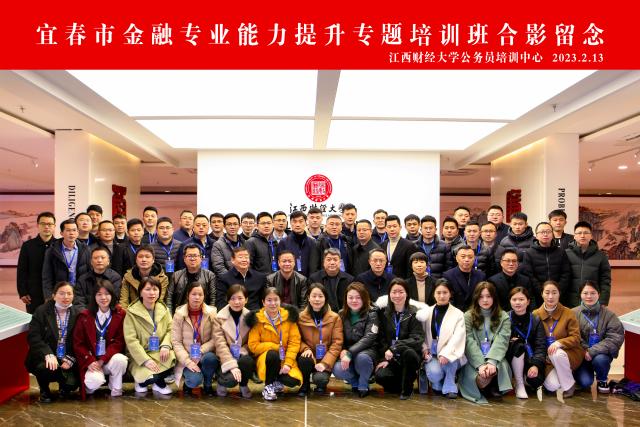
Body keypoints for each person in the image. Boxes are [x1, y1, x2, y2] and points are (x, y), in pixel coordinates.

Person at [26, 281, 81, 403]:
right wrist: (47, 353)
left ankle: (64, 387)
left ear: (73, 296)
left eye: (69, 293)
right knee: (45, 368)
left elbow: (81, 340)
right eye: (61, 293)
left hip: (66, 356)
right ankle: (44, 389)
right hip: (47, 356)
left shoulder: (78, 313)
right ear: (54, 296)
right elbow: (33, 337)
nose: (66, 297)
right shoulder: (42, 311)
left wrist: (71, 358)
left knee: (72, 384)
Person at [72, 280, 127, 398]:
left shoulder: (120, 314)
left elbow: (119, 342)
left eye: (107, 294)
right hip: (92, 361)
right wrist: (90, 360)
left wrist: (103, 359)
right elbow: (78, 343)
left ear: (112, 295)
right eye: (99, 294)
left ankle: (116, 388)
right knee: (94, 382)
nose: (103, 297)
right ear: (94, 296)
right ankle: (90, 388)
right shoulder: (85, 316)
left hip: (108, 360)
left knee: (121, 360)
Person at [459, 282, 512, 404]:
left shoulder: (503, 316)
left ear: (494, 297)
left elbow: (502, 341)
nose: (485, 300)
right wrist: (481, 365)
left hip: (496, 358)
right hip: (474, 359)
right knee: (479, 378)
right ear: (476, 298)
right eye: (481, 296)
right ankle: (485, 386)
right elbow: (469, 342)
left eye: (488, 296)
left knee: (497, 368)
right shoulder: (467, 316)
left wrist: (491, 362)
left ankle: (492, 385)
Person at [246, 287, 303, 401]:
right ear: (263, 302)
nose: (273, 303)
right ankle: (268, 386)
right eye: (269, 300)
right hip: (266, 359)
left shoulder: (289, 318)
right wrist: (274, 347)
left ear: (280, 301)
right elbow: (253, 346)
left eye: (276, 300)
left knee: (293, 381)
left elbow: (294, 343)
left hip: (284, 358)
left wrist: (288, 364)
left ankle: (276, 381)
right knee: (272, 354)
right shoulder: (257, 320)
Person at [123, 276, 176, 394]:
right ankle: (146, 381)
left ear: (159, 292)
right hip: (140, 356)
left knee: (176, 358)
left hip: (159, 352)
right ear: (140, 292)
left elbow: (171, 330)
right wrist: (145, 360)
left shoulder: (164, 309)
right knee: (149, 379)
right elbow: (131, 340)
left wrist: (166, 345)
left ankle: (158, 382)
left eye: (155, 289)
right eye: (147, 289)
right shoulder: (131, 312)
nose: (152, 293)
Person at [533, 281, 583, 400]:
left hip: (568, 354)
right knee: (552, 386)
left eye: (554, 293)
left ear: (559, 294)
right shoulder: (535, 314)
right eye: (547, 293)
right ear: (542, 294)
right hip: (547, 360)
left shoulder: (568, 313)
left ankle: (569, 386)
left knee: (556, 353)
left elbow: (576, 337)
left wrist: (559, 343)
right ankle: (565, 374)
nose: (550, 296)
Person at [374, 278, 424, 400]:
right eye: (394, 292)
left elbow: (417, 338)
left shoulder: (414, 313)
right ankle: (401, 384)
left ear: (407, 294)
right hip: (391, 358)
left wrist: (395, 347)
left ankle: (407, 389)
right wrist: (384, 359)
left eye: (401, 292)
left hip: (409, 357)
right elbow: (381, 339)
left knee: (408, 353)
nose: (397, 295)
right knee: (380, 376)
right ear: (389, 294)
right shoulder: (383, 313)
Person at [416, 279, 465, 399]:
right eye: (438, 293)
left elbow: (458, 337)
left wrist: (446, 354)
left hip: (450, 353)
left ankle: (450, 384)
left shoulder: (458, 314)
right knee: (435, 375)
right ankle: (438, 382)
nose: (442, 296)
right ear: (434, 294)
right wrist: (424, 349)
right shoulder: (427, 312)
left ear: (450, 294)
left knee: (451, 360)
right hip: (432, 354)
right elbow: (420, 334)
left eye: (445, 292)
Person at [572, 281, 624, 393]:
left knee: (600, 360)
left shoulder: (609, 315)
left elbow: (615, 338)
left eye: (593, 293)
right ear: (580, 295)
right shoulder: (573, 313)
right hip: (581, 355)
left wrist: (592, 351)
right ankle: (579, 374)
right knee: (585, 382)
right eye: (585, 293)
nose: (589, 296)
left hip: (600, 354)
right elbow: (571, 336)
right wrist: (584, 351)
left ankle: (602, 379)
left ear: (598, 294)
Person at [171, 281, 218, 396]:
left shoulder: (212, 313)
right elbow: (176, 342)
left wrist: (200, 351)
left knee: (211, 358)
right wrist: (188, 361)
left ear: (204, 296)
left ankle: (208, 384)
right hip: (187, 357)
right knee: (194, 380)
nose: (197, 297)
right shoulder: (179, 314)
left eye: (200, 294)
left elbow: (215, 338)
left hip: (205, 354)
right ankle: (188, 383)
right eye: (194, 294)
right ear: (188, 295)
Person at [296, 283, 344, 395]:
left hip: (325, 357)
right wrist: (305, 349)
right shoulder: (300, 317)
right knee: (304, 359)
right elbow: (296, 339)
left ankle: (320, 383)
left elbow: (337, 343)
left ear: (325, 298)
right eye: (314, 296)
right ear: (308, 298)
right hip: (309, 357)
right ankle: (305, 383)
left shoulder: (335, 317)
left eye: (320, 296)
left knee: (320, 380)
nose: (317, 299)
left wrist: (325, 363)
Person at [333, 282, 379, 398]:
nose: (354, 300)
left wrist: (350, 352)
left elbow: (369, 338)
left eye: (358, 297)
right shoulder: (341, 314)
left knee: (362, 358)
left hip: (367, 352)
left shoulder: (372, 313)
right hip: (349, 353)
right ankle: (355, 383)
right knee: (337, 368)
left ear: (364, 298)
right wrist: (343, 350)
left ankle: (363, 384)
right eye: (351, 297)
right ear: (346, 299)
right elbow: (338, 336)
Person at [212, 285, 255, 399]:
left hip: (241, 355)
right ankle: (222, 382)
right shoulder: (219, 318)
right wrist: (232, 365)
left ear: (246, 300)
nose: (236, 302)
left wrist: (242, 351)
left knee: (247, 361)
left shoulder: (251, 317)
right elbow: (220, 344)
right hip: (225, 357)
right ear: (228, 300)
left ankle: (243, 385)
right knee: (230, 380)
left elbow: (252, 342)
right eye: (233, 298)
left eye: (240, 298)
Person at [507, 287, 546, 399]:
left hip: (530, 358)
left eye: (521, 299)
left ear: (528, 301)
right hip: (510, 357)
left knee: (536, 381)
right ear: (510, 301)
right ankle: (519, 384)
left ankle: (524, 378)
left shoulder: (535, 320)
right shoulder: (505, 318)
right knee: (518, 346)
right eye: (514, 299)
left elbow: (541, 345)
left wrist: (535, 365)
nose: (517, 302)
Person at [565, 221, 612, 308]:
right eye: (579, 233)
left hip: (592, 300)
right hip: (569, 301)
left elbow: (605, 280)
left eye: (586, 233)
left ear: (591, 236)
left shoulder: (601, 256)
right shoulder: (566, 254)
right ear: (574, 236)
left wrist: (603, 301)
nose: (582, 236)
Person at [17, 211, 56, 313]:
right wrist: (22, 292)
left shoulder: (59, 245)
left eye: (50, 224)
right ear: (38, 225)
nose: (46, 227)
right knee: (35, 320)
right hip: (33, 293)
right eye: (43, 224)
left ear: (54, 226)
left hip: (55, 292)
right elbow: (22, 270)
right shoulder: (28, 246)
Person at [42, 218, 91, 297]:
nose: (71, 233)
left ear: (78, 232)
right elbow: (47, 276)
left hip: (80, 292)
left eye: (74, 230)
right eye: (68, 230)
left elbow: (90, 272)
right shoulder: (52, 250)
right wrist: (48, 296)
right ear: (61, 233)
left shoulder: (86, 249)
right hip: (60, 292)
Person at [521, 221, 571, 297]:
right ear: (536, 236)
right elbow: (529, 275)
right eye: (542, 232)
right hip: (537, 295)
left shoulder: (561, 252)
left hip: (558, 294)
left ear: (553, 234)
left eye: (548, 232)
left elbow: (566, 273)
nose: (545, 234)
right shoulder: (529, 253)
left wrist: (557, 291)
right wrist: (542, 292)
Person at [166, 243, 216, 315]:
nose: (192, 259)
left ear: (201, 258)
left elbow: (213, 299)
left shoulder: (210, 276)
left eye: (195, 255)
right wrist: (170, 317)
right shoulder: (176, 276)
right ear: (184, 259)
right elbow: (169, 299)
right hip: (180, 314)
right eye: (189, 256)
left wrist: (209, 316)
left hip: (203, 315)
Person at [216, 246, 267, 310]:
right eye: (240, 257)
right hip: (233, 313)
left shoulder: (260, 277)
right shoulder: (224, 279)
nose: (244, 260)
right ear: (232, 260)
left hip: (255, 313)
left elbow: (264, 301)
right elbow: (221, 303)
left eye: (246, 257)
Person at [119, 245, 169, 310]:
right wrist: (129, 315)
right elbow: (123, 301)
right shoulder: (128, 277)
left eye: (147, 257)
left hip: (153, 312)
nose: (144, 260)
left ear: (153, 260)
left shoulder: (162, 278)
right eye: (140, 257)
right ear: (136, 260)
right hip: (132, 312)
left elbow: (159, 301)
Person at [276, 210, 320, 277]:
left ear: (306, 222)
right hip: (289, 279)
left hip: (309, 280)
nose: (297, 224)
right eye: (294, 221)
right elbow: (280, 264)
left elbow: (314, 265)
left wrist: (312, 280)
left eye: (300, 221)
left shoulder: (312, 242)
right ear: (290, 223)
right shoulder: (283, 242)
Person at [443, 245, 486, 311]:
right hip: (456, 312)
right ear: (457, 258)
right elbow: (448, 299)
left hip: (475, 312)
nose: (466, 260)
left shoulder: (481, 276)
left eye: (470, 257)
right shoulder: (448, 276)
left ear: (474, 259)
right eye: (463, 257)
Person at [380, 215, 419, 279]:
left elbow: (410, 270)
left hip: (402, 282)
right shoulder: (382, 245)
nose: (392, 229)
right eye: (389, 227)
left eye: (394, 226)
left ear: (400, 227)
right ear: (385, 229)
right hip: (385, 281)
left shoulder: (409, 245)